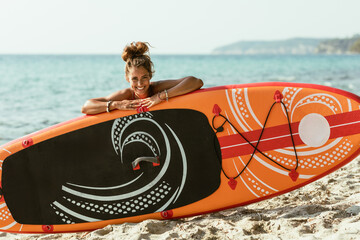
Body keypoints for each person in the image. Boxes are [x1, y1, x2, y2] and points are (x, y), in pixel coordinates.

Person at [81, 42, 203, 115]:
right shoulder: (126, 95)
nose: (140, 83)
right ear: (127, 78)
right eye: (134, 79)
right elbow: (86, 107)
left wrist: (161, 96)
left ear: (150, 76)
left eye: (144, 77)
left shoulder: (156, 88)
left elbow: (195, 82)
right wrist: (117, 105)